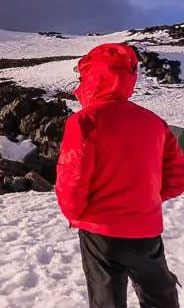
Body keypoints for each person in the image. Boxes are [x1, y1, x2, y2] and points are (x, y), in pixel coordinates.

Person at [55, 42, 184, 308]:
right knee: (160, 298)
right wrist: (148, 199)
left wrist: (76, 214)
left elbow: (73, 178)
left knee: (107, 301)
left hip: (100, 233)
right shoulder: (154, 122)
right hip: (145, 229)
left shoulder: (84, 121)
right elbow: (178, 174)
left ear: (92, 76)